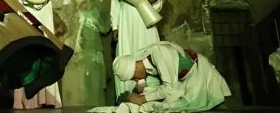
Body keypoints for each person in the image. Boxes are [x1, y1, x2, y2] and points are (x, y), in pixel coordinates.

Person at [96, 41, 230, 113]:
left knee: (209, 105)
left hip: (200, 75)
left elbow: (169, 89)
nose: (135, 81)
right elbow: (147, 84)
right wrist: (136, 94)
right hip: (184, 81)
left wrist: (141, 99)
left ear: (135, 67)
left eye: (133, 78)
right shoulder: (143, 64)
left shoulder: (158, 54)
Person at [11, 0, 63, 108]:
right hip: (27, 27)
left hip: (45, 28)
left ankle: (47, 99)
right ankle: (27, 101)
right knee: (28, 61)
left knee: (46, 61)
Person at [110, 0, 163, 98]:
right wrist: (115, 28)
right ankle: (125, 95)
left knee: (148, 53)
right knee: (127, 53)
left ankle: (151, 94)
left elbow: (159, 5)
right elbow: (114, 9)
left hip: (144, 27)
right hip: (126, 27)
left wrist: (154, 1)